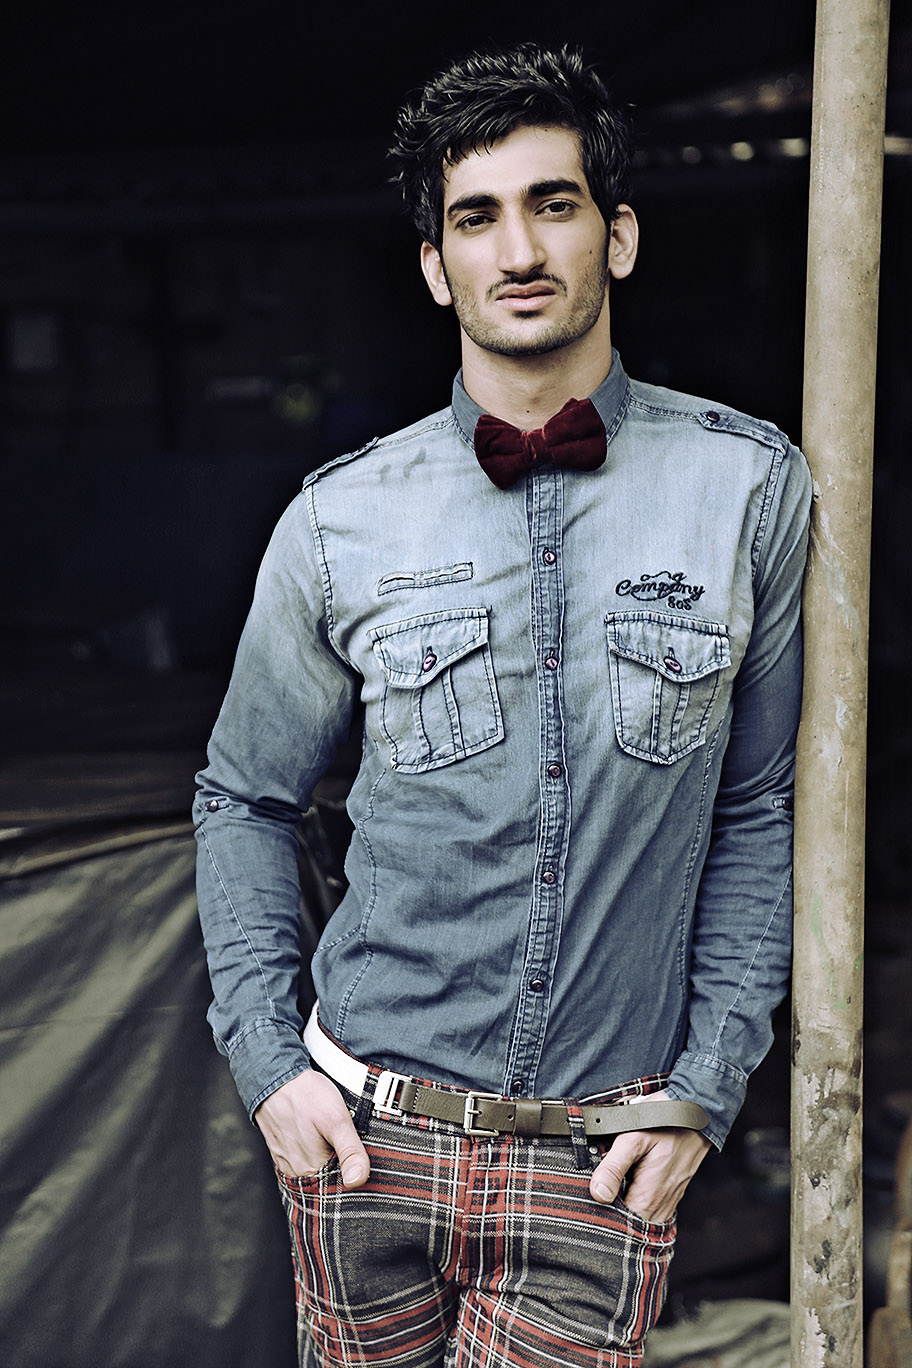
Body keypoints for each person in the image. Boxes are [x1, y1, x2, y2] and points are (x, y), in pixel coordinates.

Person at [194, 41, 811, 1368]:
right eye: (476, 217)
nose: (518, 249)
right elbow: (243, 798)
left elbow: (760, 809)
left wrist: (707, 1088)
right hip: (364, 1143)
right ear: (437, 267)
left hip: (601, 1155)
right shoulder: (338, 519)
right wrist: (269, 1064)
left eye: (554, 203)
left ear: (618, 235)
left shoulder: (749, 488)